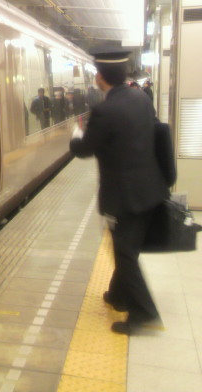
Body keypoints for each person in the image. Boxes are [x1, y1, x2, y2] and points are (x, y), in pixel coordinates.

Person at [69, 52, 169, 335]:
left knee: (125, 253)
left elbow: (85, 149)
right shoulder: (141, 98)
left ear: (100, 77)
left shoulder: (105, 110)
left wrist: (76, 136)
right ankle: (118, 295)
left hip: (124, 196)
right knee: (128, 248)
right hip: (150, 189)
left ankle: (145, 315)